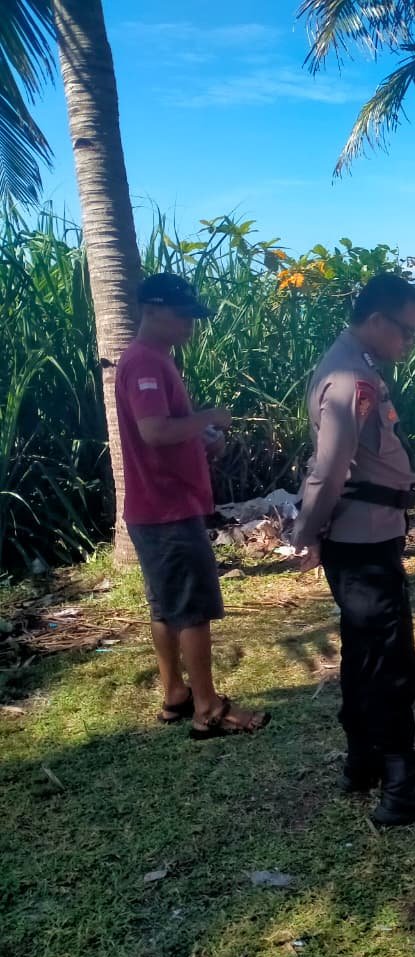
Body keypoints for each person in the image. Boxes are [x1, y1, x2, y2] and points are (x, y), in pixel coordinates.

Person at [292, 273, 415, 826]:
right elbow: (329, 469)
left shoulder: (356, 366)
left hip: (367, 533)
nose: (409, 342)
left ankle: (363, 761)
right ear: (375, 321)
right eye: (405, 330)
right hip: (363, 540)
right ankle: (401, 786)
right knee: (389, 660)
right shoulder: (350, 380)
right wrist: (306, 533)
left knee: (364, 651)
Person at [115, 273, 270, 739]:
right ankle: (208, 709)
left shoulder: (153, 359)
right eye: (182, 316)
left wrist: (202, 438)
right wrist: (211, 417)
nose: (190, 325)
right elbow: (154, 431)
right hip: (168, 507)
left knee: (166, 608)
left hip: (154, 506)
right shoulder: (145, 362)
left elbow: (165, 429)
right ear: (153, 310)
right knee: (193, 610)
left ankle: (175, 694)